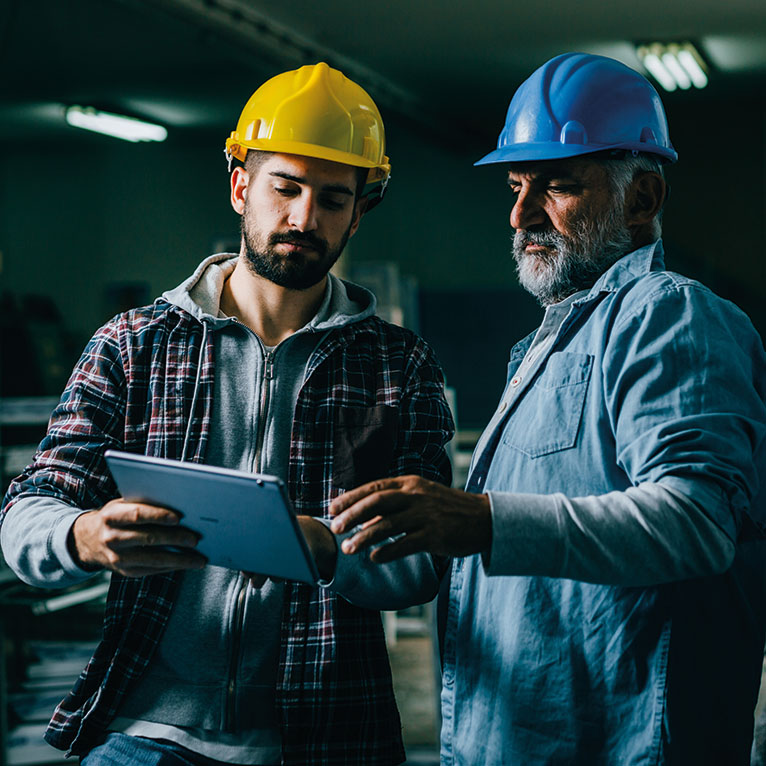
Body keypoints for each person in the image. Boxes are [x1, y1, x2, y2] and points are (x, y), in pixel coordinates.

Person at [0, 62, 454, 766]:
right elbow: (26, 512)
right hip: (150, 733)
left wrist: (329, 550)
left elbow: (428, 560)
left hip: (329, 737)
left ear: (358, 212)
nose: (305, 218)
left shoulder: (400, 366)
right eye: (286, 188)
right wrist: (86, 535)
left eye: (333, 199)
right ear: (241, 185)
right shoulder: (132, 345)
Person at [330, 52, 766, 765]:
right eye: (516, 184)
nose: (521, 213)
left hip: (618, 746)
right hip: (513, 742)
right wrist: (329, 544)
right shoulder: (547, 344)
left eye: (556, 187)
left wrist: (479, 519)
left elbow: (694, 522)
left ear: (642, 199)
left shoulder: (669, 316)